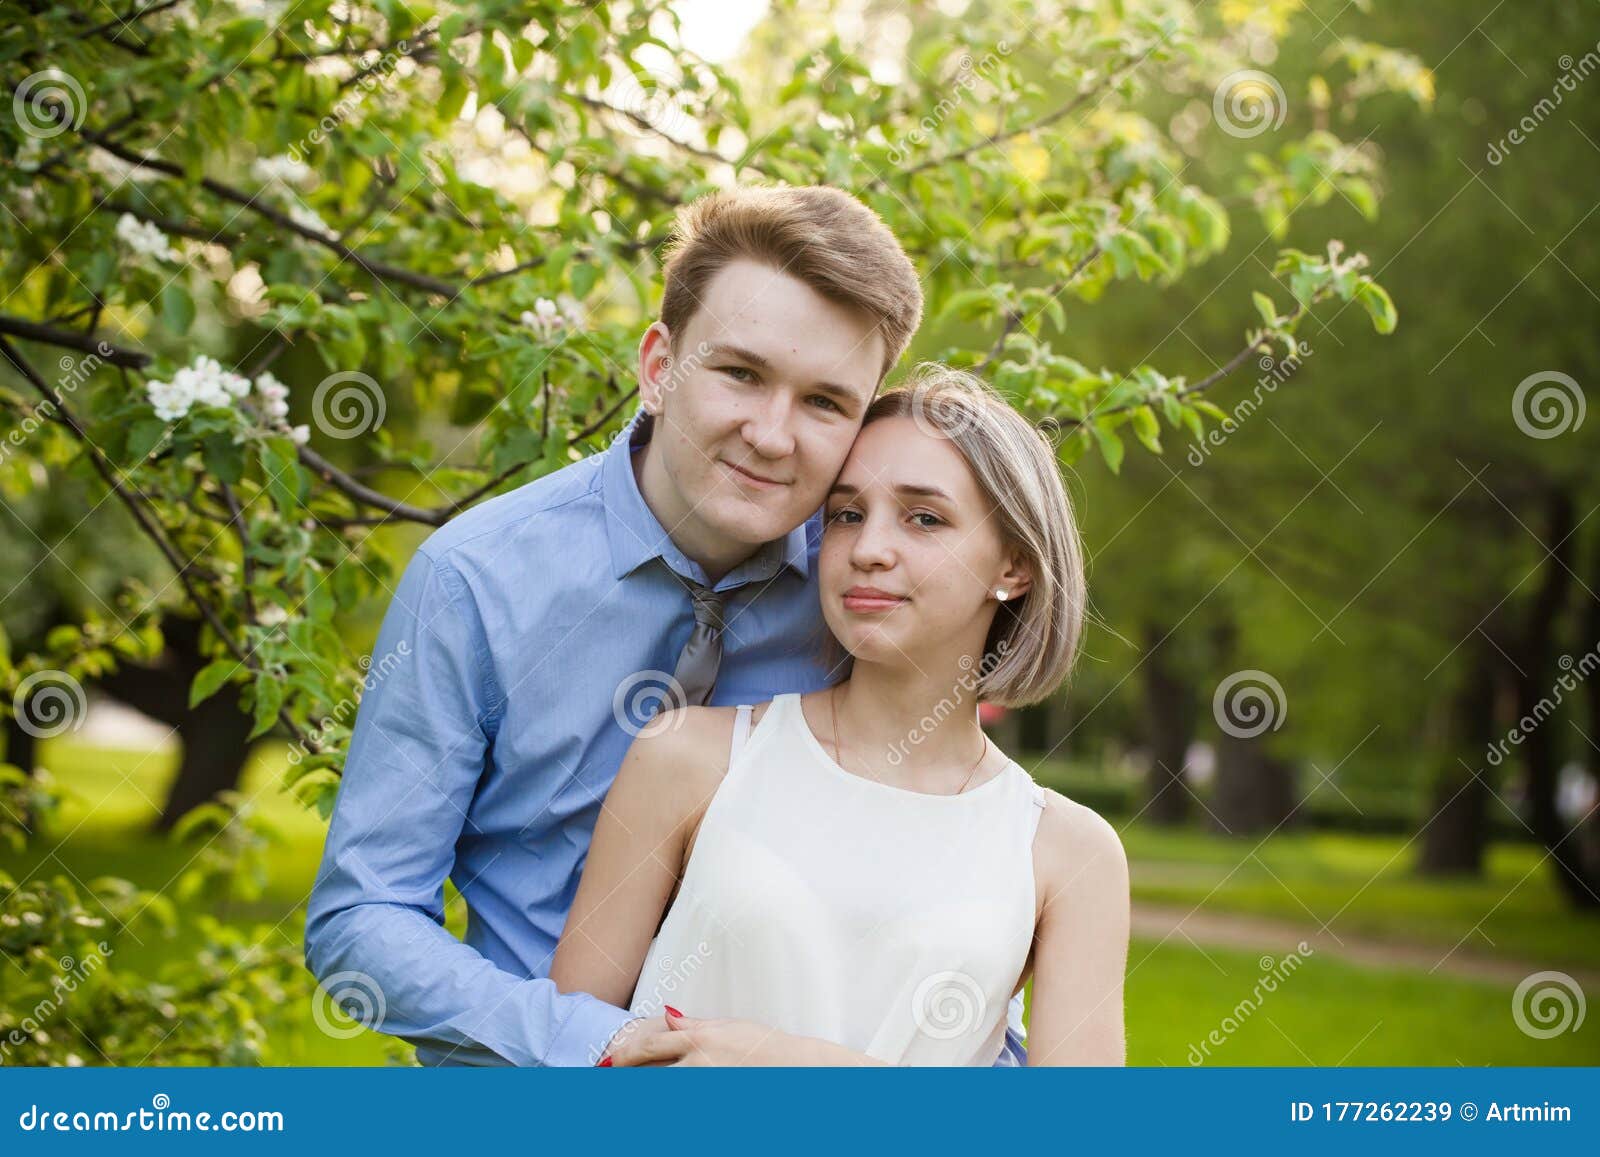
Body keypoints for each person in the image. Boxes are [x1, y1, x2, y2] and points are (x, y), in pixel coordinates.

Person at [304, 184, 1040, 1065]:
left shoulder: (865, 589)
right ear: (659, 367)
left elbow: (925, 855)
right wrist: (602, 1045)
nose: (772, 435)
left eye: (824, 403)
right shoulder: (476, 582)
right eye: (740, 373)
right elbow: (363, 916)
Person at [551, 366, 1130, 1066]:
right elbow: (566, 1048)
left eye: (924, 518)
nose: (868, 549)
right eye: (847, 514)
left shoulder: (1069, 853)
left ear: (1013, 566)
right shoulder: (689, 758)